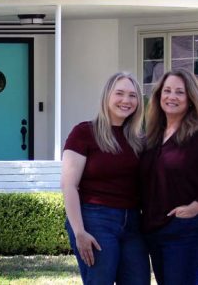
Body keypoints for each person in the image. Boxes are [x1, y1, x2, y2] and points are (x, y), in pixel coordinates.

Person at [140, 69, 198, 285]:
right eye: (167, 91)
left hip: (190, 228)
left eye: (179, 92)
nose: (171, 97)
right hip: (157, 228)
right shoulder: (153, 136)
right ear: (158, 96)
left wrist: (196, 207)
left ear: (191, 99)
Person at [62, 72, 150, 285]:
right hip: (95, 220)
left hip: (133, 224)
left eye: (132, 95)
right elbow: (69, 185)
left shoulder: (140, 140)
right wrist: (79, 232)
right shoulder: (84, 132)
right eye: (119, 93)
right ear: (106, 96)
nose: (126, 100)